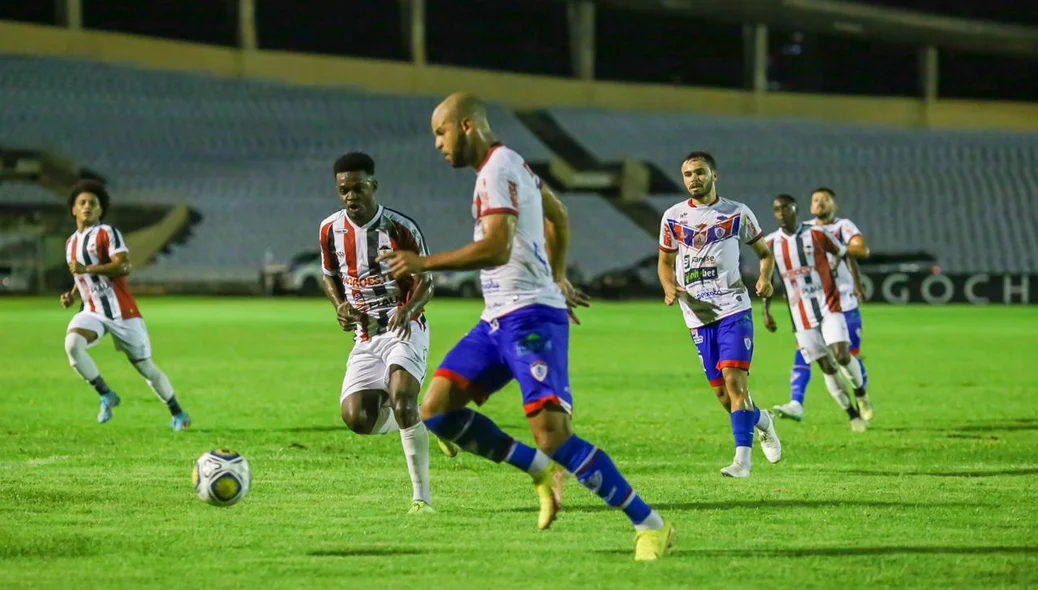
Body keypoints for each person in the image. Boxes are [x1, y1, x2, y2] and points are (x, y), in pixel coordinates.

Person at [377, 92, 674, 562]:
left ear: (468, 126)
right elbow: (558, 214)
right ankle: (536, 469)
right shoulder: (513, 167)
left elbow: (497, 247)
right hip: (497, 318)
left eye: (441, 131)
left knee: (555, 436)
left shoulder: (497, 170)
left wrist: (421, 263)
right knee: (435, 409)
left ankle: (650, 525)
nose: (437, 143)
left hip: (531, 318)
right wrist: (557, 275)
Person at [319, 152, 438, 515]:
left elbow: (427, 282)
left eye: (357, 188)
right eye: (344, 190)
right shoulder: (329, 229)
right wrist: (340, 305)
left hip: (404, 326)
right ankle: (422, 421)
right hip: (366, 335)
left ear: (373, 185)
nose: (350, 196)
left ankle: (422, 498)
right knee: (358, 419)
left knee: (401, 400)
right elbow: (329, 276)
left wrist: (408, 309)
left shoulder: (400, 228)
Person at [656, 151, 781, 479]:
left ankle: (742, 461)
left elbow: (765, 254)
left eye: (699, 172)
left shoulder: (736, 213)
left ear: (714, 175)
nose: (693, 179)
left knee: (734, 381)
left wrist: (765, 278)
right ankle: (762, 420)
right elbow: (665, 263)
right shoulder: (673, 217)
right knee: (725, 396)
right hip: (696, 315)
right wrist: (669, 287)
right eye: (687, 174)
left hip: (733, 308)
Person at [61, 179, 190, 431]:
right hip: (92, 311)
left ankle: (177, 411)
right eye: (82, 203)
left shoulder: (107, 233)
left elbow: (124, 266)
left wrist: (87, 268)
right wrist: (73, 293)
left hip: (122, 312)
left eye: (93, 203)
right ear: (73, 210)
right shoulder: (70, 244)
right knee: (72, 345)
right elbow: (81, 276)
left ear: (100, 210)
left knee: (146, 369)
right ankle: (106, 394)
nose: (87, 207)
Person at [761, 194, 869, 432]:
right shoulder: (770, 243)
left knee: (842, 355)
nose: (780, 213)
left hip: (829, 305)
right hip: (800, 316)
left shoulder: (818, 234)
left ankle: (861, 392)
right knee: (826, 367)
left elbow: (846, 254)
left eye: (785, 208)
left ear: (795, 209)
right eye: (776, 209)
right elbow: (767, 280)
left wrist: (856, 284)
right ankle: (851, 413)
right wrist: (766, 311)